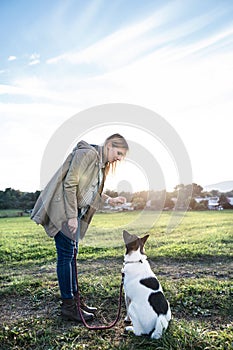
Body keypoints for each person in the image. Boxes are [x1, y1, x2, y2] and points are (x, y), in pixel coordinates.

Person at [31, 133, 129, 322]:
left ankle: (75, 301)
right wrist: (71, 217)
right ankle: (69, 306)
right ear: (109, 145)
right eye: (118, 152)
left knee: (71, 255)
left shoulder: (101, 164)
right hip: (64, 211)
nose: (119, 158)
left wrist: (110, 199)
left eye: (122, 156)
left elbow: (90, 190)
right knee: (66, 256)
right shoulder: (88, 154)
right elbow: (70, 184)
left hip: (74, 213)